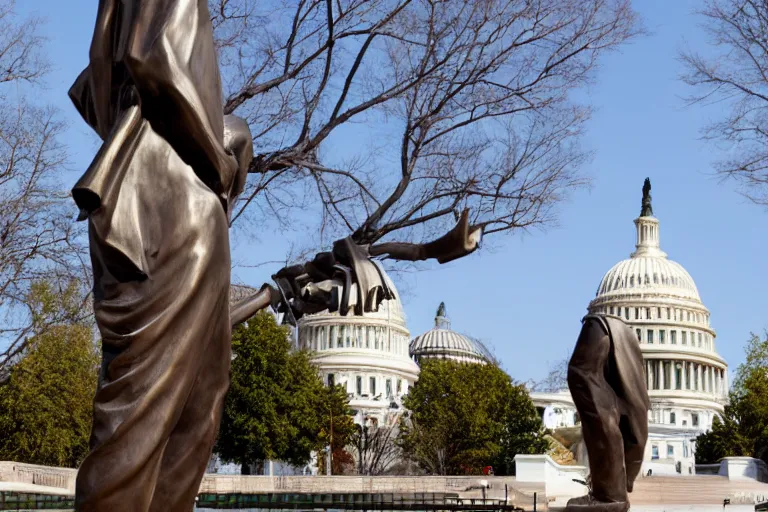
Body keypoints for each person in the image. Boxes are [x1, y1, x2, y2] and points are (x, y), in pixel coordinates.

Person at [70, 1, 246, 510]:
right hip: (168, 197)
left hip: (176, 198)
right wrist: (217, 157)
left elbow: (94, 86)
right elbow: (154, 58)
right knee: (141, 411)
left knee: (200, 402)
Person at [565, 314, 650, 511]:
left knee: (583, 380)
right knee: (586, 383)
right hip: (608, 329)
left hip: (601, 327)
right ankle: (610, 493)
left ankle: (610, 495)